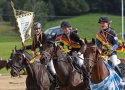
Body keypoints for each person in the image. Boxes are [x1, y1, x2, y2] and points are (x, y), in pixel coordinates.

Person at [58, 21, 89, 89]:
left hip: (79, 51)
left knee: (80, 63)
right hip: (70, 53)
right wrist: (60, 49)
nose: (65, 30)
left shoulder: (74, 35)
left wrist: (80, 52)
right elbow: (61, 46)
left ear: (70, 28)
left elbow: (83, 45)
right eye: (63, 29)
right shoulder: (63, 36)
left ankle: (87, 79)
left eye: (66, 28)